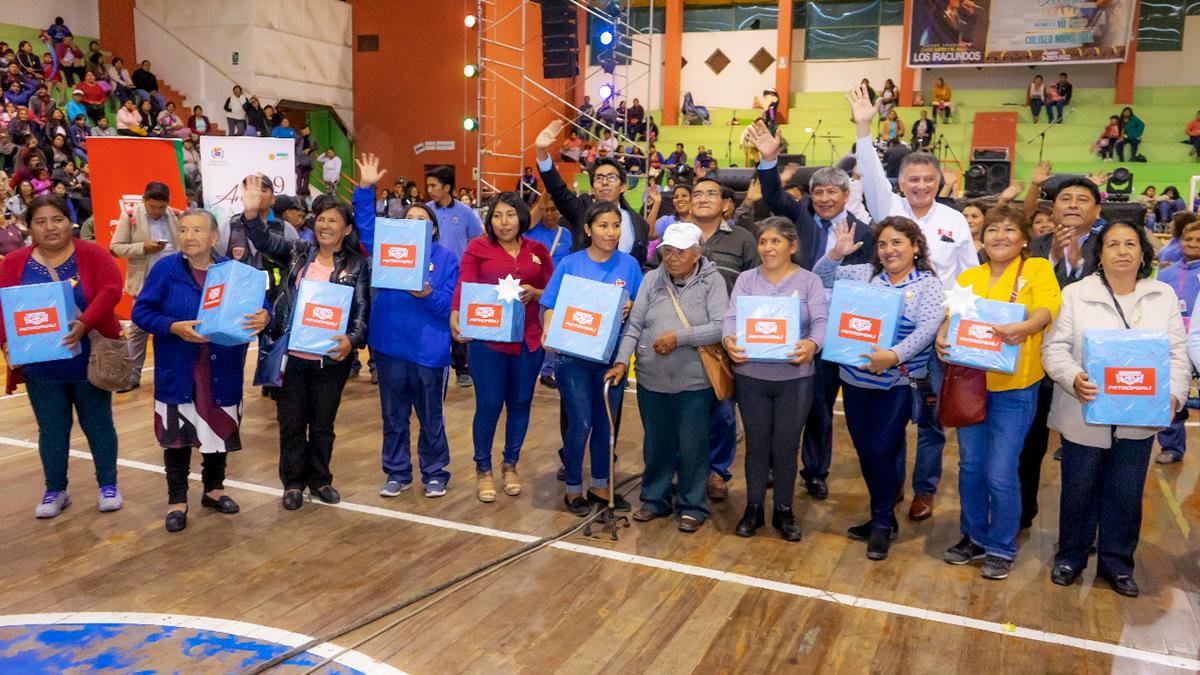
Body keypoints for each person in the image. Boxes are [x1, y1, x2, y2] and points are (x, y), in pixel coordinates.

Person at [851, 83, 978, 520]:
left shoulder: (955, 220)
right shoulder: (891, 211)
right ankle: (889, 491)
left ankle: (924, 489)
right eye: (913, 179)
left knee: (930, 420)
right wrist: (864, 127)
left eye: (928, 179)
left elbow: (970, 279)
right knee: (886, 422)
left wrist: (949, 325)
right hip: (887, 329)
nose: (921, 185)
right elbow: (868, 172)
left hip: (938, 333)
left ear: (939, 181)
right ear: (901, 183)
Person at [1042, 221, 1190, 597]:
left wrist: (1172, 395)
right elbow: (1053, 349)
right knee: (1078, 490)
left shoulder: (1163, 296)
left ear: (1143, 252)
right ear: (1100, 253)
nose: (1122, 251)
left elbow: (1177, 353)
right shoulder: (1076, 295)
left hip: (1140, 418)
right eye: (1113, 244)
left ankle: (1117, 563)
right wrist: (1074, 377)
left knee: (1126, 493)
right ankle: (1071, 557)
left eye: (1131, 244)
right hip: (1084, 411)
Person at [934, 206, 1060, 580]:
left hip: (1015, 389)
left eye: (1009, 230)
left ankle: (1001, 546)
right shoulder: (971, 276)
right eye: (992, 230)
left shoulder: (1037, 269)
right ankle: (973, 536)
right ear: (982, 238)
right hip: (971, 385)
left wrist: (1025, 327)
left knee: (1002, 471)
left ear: (1023, 238)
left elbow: (1048, 308)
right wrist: (943, 337)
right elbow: (951, 318)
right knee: (970, 466)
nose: (1000, 236)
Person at [131, 208, 269, 531]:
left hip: (221, 367)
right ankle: (177, 500)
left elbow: (260, 307)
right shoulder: (166, 269)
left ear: (214, 237)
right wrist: (172, 326)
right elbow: (142, 312)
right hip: (179, 368)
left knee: (217, 431)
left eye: (197, 230)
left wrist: (265, 316)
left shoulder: (234, 271)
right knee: (177, 437)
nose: (189, 236)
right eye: (184, 230)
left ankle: (214, 488)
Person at [816, 216, 945, 560]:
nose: (889, 250)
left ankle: (882, 523)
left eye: (898, 243)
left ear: (916, 246)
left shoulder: (929, 285)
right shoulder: (864, 275)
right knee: (865, 450)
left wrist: (892, 355)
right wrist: (835, 253)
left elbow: (927, 331)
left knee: (881, 451)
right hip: (855, 381)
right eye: (884, 243)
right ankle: (883, 515)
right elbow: (820, 277)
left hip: (899, 382)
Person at [241, 185, 370, 510]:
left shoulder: (356, 265)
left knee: (323, 425)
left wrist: (351, 341)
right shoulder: (298, 252)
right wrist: (253, 213)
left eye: (333, 221)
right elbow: (264, 240)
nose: (325, 226)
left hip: (331, 361)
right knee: (292, 423)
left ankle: (321, 479)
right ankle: (294, 483)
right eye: (321, 219)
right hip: (292, 358)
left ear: (347, 229)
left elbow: (361, 312)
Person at [0, 195, 124, 518]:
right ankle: (56, 489)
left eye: (57, 219)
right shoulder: (13, 264)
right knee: (52, 430)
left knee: (98, 424)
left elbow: (112, 289)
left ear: (69, 222)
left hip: (89, 360)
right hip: (41, 366)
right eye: (40, 221)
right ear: (29, 227)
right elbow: (3, 308)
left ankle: (108, 485)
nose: (50, 227)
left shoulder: (92, 253)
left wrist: (84, 323)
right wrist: (6, 343)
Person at [606, 222, 727, 532]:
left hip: (694, 383)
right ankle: (654, 499)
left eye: (680, 252)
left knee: (692, 446)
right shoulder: (651, 279)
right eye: (667, 251)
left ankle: (692, 506)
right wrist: (621, 362)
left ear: (697, 253)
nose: (672, 258)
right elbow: (634, 326)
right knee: (656, 444)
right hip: (651, 380)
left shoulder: (713, 282)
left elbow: (721, 326)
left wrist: (679, 337)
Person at [353, 154, 456, 497]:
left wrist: (426, 293)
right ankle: (397, 471)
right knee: (393, 417)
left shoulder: (446, 259)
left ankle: (435, 472)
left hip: (429, 350)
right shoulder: (387, 248)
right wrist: (365, 189)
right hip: (390, 346)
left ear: (434, 228)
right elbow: (365, 226)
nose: (413, 223)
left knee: (431, 418)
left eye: (421, 219)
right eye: (407, 217)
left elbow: (447, 307)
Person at [722, 216, 826, 540]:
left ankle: (784, 509)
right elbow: (731, 318)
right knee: (756, 445)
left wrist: (812, 344)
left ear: (792, 246)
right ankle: (753, 508)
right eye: (763, 241)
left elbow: (821, 321)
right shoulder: (746, 280)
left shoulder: (809, 282)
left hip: (795, 378)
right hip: (751, 375)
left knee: (785, 446)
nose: (767, 248)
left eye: (775, 241)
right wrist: (728, 342)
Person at [655, 176, 756, 501]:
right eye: (697, 193)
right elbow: (654, 276)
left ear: (726, 204)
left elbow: (755, 284)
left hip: (721, 340)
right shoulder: (672, 235)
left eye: (711, 193)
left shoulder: (742, 238)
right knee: (675, 411)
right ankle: (677, 468)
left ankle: (716, 471)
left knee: (723, 412)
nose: (702, 198)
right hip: (675, 338)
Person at [541, 202, 642, 515]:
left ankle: (600, 485)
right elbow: (550, 305)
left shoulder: (630, 266)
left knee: (604, 424)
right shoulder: (570, 264)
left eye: (615, 226)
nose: (610, 233)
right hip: (573, 359)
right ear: (587, 229)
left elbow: (639, 309)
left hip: (611, 360)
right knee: (581, 422)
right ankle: (573, 489)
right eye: (603, 226)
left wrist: (632, 307)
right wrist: (549, 331)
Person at [450, 193, 552, 503]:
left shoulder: (538, 250)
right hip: (488, 341)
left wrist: (538, 293)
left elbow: (553, 289)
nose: (503, 222)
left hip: (529, 340)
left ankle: (510, 464)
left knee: (520, 403)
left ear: (521, 218)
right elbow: (464, 284)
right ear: (489, 219)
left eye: (510, 215)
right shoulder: (477, 248)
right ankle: (483, 469)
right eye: (497, 215)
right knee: (490, 404)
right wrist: (456, 314)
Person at [535, 120, 652, 265]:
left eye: (611, 177)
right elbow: (558, 189)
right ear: (592, 188)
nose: (604, 182)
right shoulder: (581, 210)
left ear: (623, 186)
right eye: (599, 178)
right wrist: (542, 153)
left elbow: (640, 264)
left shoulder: (640, 224)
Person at [109, 181, 179, 384]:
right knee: (139, 330)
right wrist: (142, 247)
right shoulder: (130, 216)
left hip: (173, 283)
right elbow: (115, 248)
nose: (157, 211)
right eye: (152, 206)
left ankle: (171, 374)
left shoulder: (176, 215)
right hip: (144, 283)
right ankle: (131, 376)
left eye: (161, 207)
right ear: (144, 200)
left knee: (171, 330)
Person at [426, 164, 484, 387]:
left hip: (457, 276)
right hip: (431, 275)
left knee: (458, 319)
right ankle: (435, 362)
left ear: (447, 187)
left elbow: (476, 241)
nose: (430, 189)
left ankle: (461, 367)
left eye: (434, 185)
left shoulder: (465, 213)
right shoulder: (426, 211)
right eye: (428, 185)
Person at [1154, 216, 1200, 465]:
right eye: (1188, 239)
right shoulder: (1166, 273)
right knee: (1173, 396)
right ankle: (1171, 446)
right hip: (1174, 344)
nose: (1193, 243)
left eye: (1199, 240)